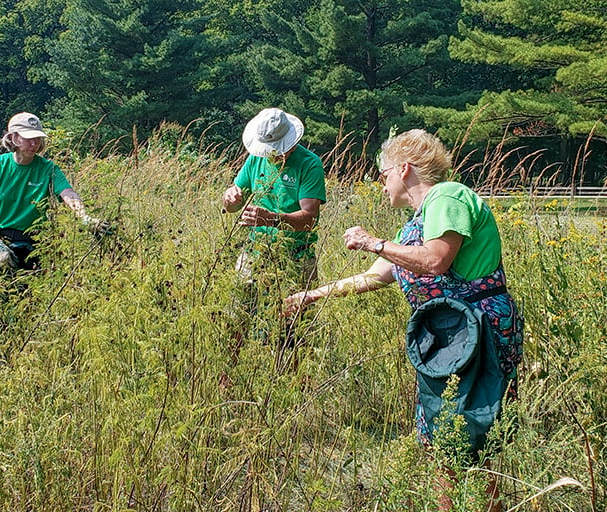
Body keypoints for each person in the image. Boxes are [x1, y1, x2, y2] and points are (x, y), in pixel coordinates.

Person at [284, 129, 522, 507]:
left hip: (476, 333)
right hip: (446, 336)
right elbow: (375, 276)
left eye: (383, 175)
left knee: (467, 436)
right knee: (448, 437)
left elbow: (434, 260)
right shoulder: (416, 221)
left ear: (405, 169)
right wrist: (311, 295)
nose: (381, 186)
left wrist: (372, 242)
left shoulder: (448, 196)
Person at [222, 108, 326, 347]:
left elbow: (309, 218)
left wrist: (272, 219)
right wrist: (230, 199)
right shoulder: (256, 158)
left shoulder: (309, 164)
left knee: (294, 328)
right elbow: (233, 203)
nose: (273, 155)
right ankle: (225, 381)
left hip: (296, 256)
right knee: (236, 318)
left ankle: (295, 380)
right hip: (254, 252)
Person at [0, 112, 110, 272]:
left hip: (33, 242)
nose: (34, 143)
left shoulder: (48, 169)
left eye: (37, 138)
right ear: (14, 138)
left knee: (30, 294)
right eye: (29, 138)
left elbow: (68, 194)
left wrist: (84, 218)